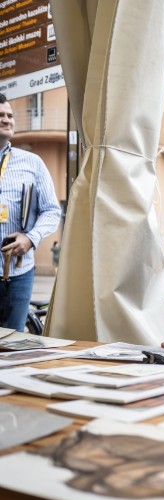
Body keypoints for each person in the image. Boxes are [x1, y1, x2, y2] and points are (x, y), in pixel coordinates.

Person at [0, 93, 61, 332]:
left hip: (18, 270)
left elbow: (51, 210)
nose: (6, 120)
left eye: (10, 115)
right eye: (0, 115)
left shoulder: (33, 162)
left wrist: (30, 238)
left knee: (13, 342)